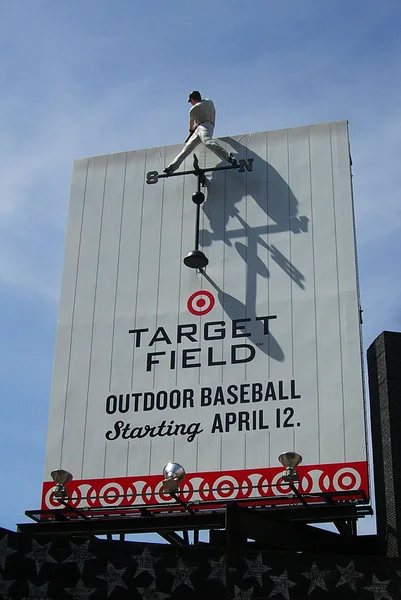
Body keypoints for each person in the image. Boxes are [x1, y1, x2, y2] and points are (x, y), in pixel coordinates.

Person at [164, 91, 237, 174]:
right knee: (187, 148)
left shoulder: (193, 109)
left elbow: (191, 123)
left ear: (192, 99)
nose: (191, 103)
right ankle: (172, 167)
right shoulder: (209, 101)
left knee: (207, 142)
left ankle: (228, 157)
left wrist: (191, 129)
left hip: (204, 127)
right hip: (206, 126)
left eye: (190, 101)